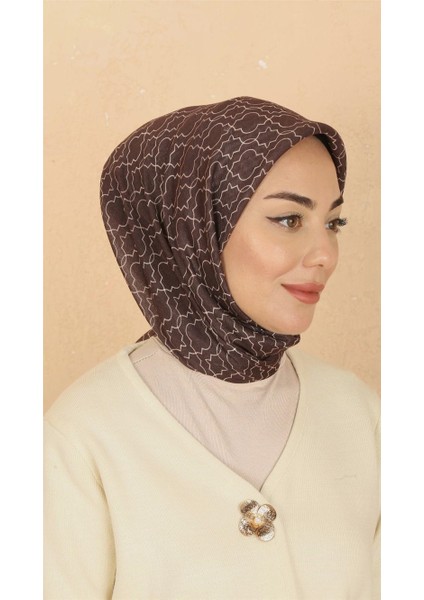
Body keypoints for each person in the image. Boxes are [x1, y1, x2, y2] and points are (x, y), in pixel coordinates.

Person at [44, 96, 380, 599]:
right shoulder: (83, 436)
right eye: (289, 219)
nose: (325, 255)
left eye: (334, 223)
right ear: (194, 227)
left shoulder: (361, 414)